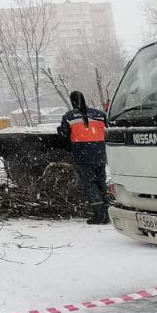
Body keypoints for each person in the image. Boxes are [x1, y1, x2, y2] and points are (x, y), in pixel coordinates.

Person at [57, 90, 110, 224]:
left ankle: (99, 214)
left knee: (89, 184)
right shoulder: (99, 114)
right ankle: (108, 212)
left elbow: (63, 135)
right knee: (101, 182)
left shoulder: (69, 117)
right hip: (100, 153)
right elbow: (109, 128)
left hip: (83, 154)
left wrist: (60, 131)